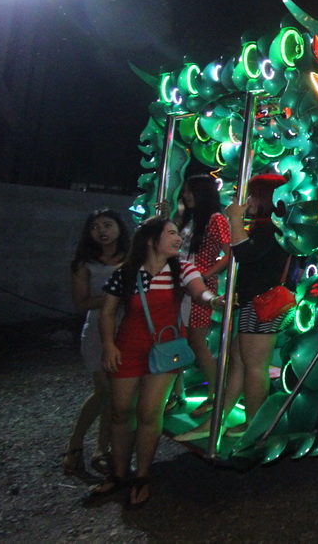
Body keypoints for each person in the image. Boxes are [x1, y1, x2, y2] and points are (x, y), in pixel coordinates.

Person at [89, 216, 214, 507]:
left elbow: (199, 291)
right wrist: (108, 345)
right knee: (120, 411)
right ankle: (119, 474)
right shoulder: (126, 272)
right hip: (127, 348)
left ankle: (142, 476)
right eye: (171, 233)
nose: (178, 238)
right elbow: (107, 312)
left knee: (149, 413)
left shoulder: (182, 268)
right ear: (150, 240)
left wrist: (213, 300)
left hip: (165, 349)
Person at [177, 174, 290, 441]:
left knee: (254, 366)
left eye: (251, 195)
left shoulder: (270, 228)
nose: (247, 200)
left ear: (265, 197)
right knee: (239, 361)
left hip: (262, 304)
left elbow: (243, 254)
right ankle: (218, 418)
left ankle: (254, 426)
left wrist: (236, 220)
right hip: (255, 302)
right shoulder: (268, 226)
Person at [63, 208, 130, 476]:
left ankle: (102, 449)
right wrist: (116, 296)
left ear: (119, 227)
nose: (102, 231)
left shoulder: (131, 258)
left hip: (128, 327)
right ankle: (75, 443)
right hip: (98, 332)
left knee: (117, 395)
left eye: (107, 224)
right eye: (95, 227)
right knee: (104, 392)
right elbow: (81, 303)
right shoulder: (84, 263)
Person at [176, 174, 230, 416]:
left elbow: (230, 253)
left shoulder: (216, 218)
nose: (185, 195)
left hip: (199, 286)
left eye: (190, 191)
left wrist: (205, 274)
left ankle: (215, 394)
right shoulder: (191, 217)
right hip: (180, 285)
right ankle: (177, 392)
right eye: (185, 191)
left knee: (197, 342)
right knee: (178, 339)